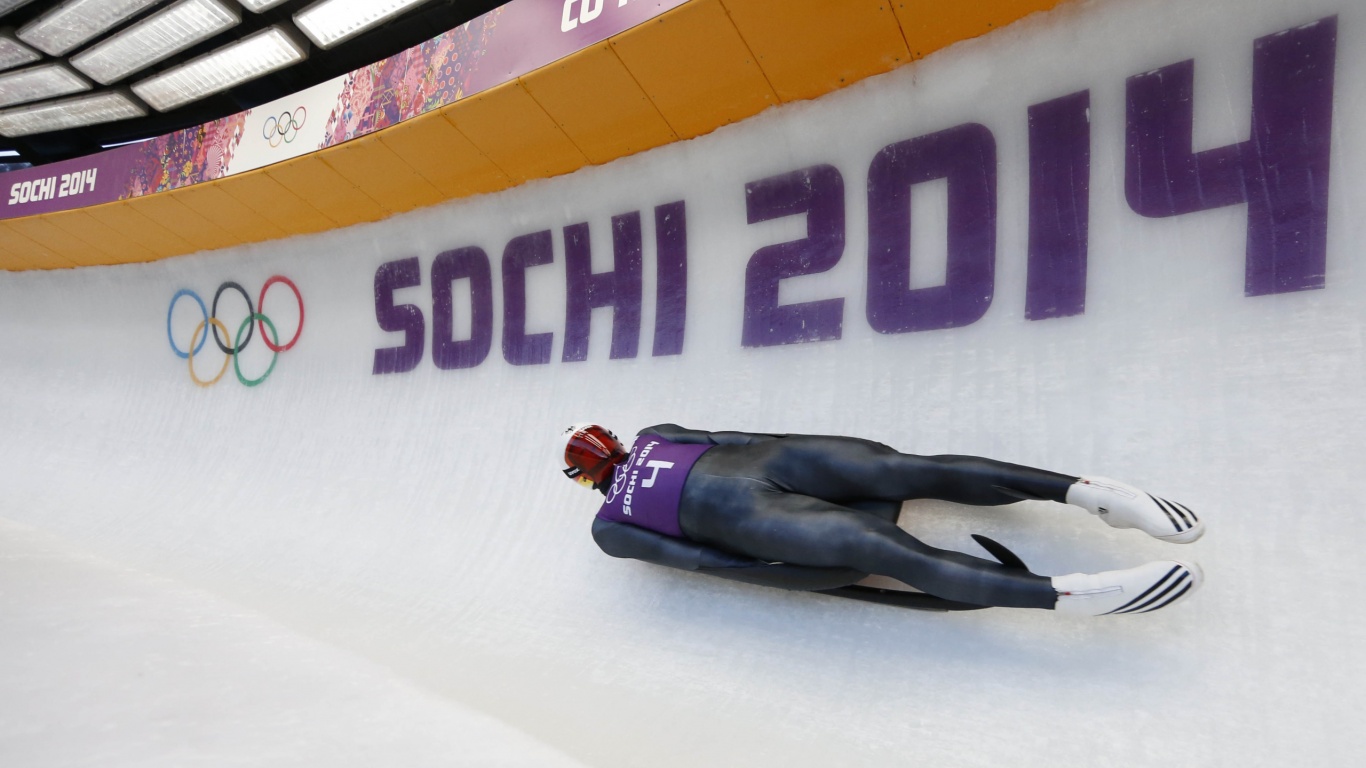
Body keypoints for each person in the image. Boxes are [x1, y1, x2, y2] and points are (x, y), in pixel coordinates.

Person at [561, 423, 1205, 616]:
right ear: (612, 442)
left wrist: (801, 578)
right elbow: (742, 436)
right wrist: (847, 449)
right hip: (786, 464)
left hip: (762, 512)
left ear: (587, 478)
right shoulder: (653, 437)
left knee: (893, 543)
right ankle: (1081, 492)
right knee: (903, 475)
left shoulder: (609, 528)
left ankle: (1061, 594)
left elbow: (707, 562)